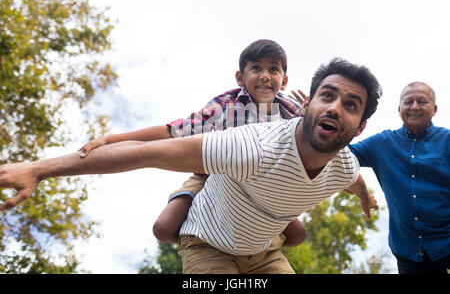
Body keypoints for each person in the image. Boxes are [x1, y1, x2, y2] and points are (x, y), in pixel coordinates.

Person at [0, 58, 381, 274]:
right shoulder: (250, 143)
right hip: (210, 245)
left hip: (264, 253)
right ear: (308, 104)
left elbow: (353, 180)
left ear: (360, 126)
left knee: (294, 233)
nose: (334, 108)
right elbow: (151, 149)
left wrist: (365, 196)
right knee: (165, 226)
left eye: (350, 105)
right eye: (326, 97)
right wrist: (40, 168)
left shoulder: (345, 166)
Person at [77, 39, 307, 246]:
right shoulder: (227, 105)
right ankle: (203, 236)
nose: (265, 75)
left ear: (284, 81)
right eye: (256, 68)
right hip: (212, 177)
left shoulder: (290, 110)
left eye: (273, 70)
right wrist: (110, 139)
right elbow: (174, 132)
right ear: (240, 78)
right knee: (164, 228)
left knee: (297, 235)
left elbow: (319, 142)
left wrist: (311, 114)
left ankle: (260, 243)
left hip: (260, 187)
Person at [347, 82, 450, 274]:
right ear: (399, 109)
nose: (414, 106)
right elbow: (339, 157)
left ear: (434, 109)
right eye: (408, 102)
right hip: (408, 249)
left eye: (422, 101)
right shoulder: (382, 143)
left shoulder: (447, 141)